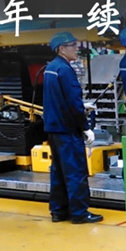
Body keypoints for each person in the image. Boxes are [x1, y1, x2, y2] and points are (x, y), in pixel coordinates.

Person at [42, 31, 103, 224]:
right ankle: (79, 213)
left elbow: (58, 98)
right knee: (76, 171)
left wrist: (81, 105)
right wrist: (85, 127)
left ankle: (58, 212)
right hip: (68, 130)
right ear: (61, 49)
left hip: (54, 128)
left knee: (58, 171)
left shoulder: (51, 68)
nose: (77, 49)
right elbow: (72, 102)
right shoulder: (66, 70)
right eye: (73, 45)